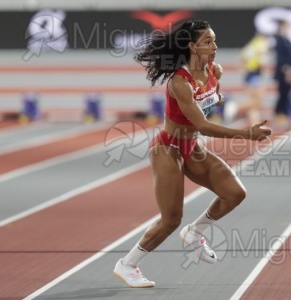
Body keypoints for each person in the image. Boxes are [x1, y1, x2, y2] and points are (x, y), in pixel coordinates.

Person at [113, 20, 271, 288]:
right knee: (171, 219)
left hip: (192, 147)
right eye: (208, 41)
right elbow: (202, 125)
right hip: (168, 148)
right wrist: (247, 135)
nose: (214, 46)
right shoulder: (179, 82)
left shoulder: (213, 70)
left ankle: (196, 231)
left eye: (215, 40)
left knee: (235, 193)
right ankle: (127, 264)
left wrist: (217, 97)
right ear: (192, 46)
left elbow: (212, 99)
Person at [240, 32, 269, 125]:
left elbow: (243, 58)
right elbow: (262, 61)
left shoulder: (252, 45)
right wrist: (263, 70)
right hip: (255, 75)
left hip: (250, 74)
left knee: (254, 102)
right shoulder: (261, 44)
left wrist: (245, 68)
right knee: (256, 102)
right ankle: (233, 108)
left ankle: (255, 124)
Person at [273, 20, 291, 126]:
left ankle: (282, 115)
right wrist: (286, 70)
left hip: (288, 71)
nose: (288, 29)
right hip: (283, 72)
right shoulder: (280, 41)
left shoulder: (287, 40)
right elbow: (281, 59)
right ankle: (281, 115)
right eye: (286, 27)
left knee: (286, 94)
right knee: (283, 94)